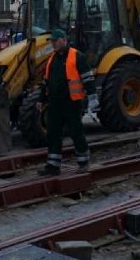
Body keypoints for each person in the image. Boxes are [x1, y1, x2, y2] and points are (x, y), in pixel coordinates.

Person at [38, 29, 98, 176]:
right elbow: (46, 82)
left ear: (64, 40)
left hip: (72, 102)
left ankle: (83, 162)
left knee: (75, 132)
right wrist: (41, 99)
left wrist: (92, 97)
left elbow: (87, 78)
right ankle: (53, 165)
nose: (53, 44)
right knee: (53, 133)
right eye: (52, 41)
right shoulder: (52, 59)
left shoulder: (77, 56)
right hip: (55, 103)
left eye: (55, 41)